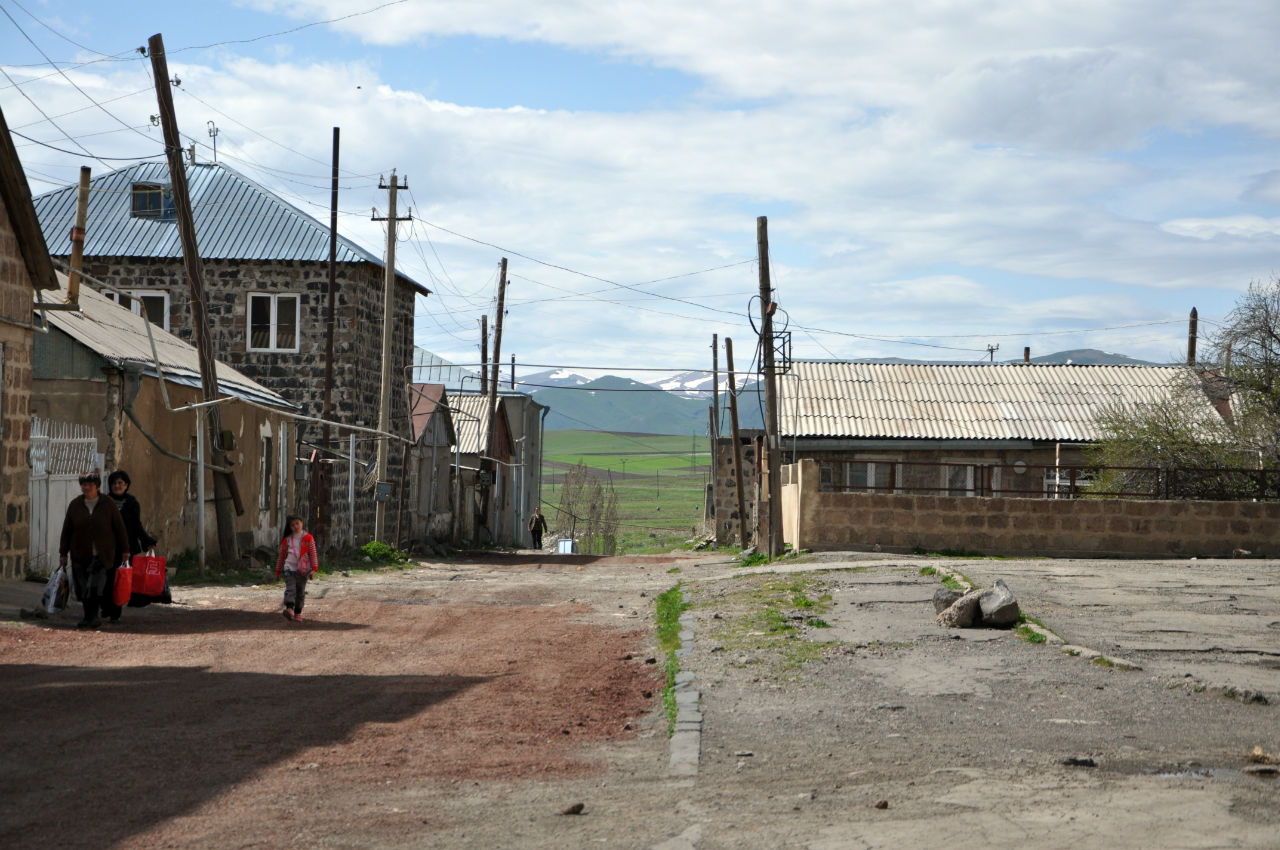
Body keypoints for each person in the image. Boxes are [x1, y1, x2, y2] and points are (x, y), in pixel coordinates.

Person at [58, 471, 128, 630]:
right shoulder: (75, 505)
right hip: (80, 554)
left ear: (97, 486)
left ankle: (93, 616)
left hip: (102, 555)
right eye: (84, 485)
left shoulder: (107, 504)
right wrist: (63, 553)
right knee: (83, 589)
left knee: (95, 587)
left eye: (90, 485)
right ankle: (88, 617)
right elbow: (67, 530)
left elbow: (119, 528)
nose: (86, 488)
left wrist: (125, 550)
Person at [106, 470, 160, 616]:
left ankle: (115, 612)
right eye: (114, 483)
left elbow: (137, 525)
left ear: (126, 485)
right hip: (107, 548)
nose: (117, 486)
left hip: (126, 549)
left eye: (120, 483)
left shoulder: (131, 503)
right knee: (107, 579)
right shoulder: (104, 501)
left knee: (119, 580)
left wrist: (147, 540)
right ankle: (107, 608)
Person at [275, 515, 319, 623]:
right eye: (292, 525)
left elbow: (313, 554)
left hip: (302, 571)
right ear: (290, 527)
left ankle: (298, 613)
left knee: (300, 592)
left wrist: (314, 569)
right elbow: (281, 556)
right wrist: (278, 571)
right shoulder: (287, 540)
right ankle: (289, 608)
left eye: (297, 523)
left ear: (302, 523)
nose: (295, 526)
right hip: (289, 569)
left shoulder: (309, 538)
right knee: (291, 589)